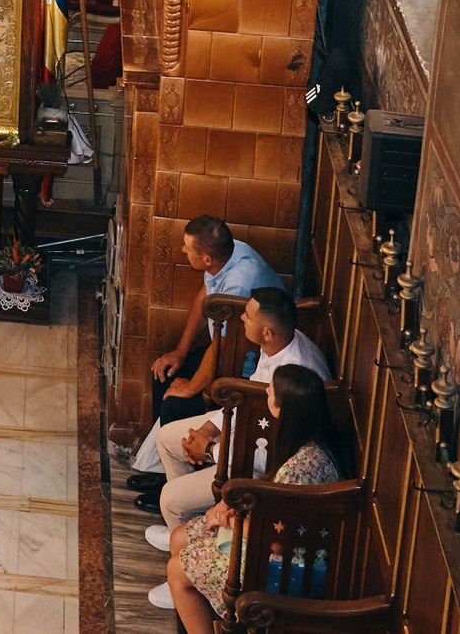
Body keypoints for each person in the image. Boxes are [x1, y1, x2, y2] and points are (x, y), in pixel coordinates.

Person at [156, 364, 351, 622]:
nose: (266, 390)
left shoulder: (301, 468)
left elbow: (276, 535)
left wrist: (230, 520)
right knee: (179, 538)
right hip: (276, 537)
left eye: (271, 391)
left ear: (285, 408)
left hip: (289, 563)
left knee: (177, 571)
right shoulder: (309, 438)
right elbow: (275, 506)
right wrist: (235, 509)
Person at [141, 288, 333, 537]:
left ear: (266, 331)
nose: (242, 318)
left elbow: (266, 455)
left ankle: (187, 541)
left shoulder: (292, 376)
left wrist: (210, 450)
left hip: (259, 462)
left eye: (249, 316)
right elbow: (246, 402)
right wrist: (206, 431)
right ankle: (189, 521)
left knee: (170, 498)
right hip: (246, 431)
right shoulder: (279, 341)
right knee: (167, 438)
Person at [128, 216, 284, 488]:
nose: (183, 251)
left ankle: (178, 482)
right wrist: (180, 352)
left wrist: (193, 388)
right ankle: (161, 469)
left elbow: (225, 344)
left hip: (245, 362)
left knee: (179, 404)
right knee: (163, 376)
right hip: (224, 348)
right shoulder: (226, 253)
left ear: (208, 258)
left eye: (188, 248)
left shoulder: (239, 282)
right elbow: (206, 298)